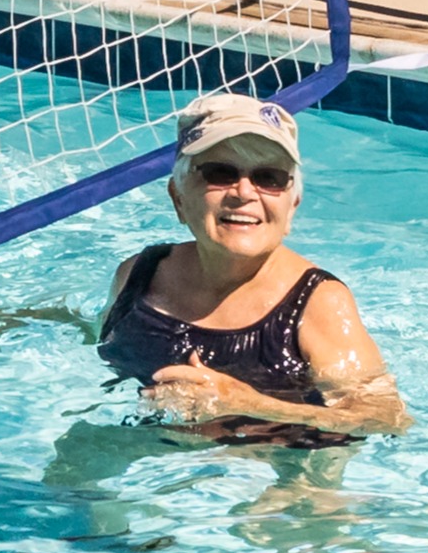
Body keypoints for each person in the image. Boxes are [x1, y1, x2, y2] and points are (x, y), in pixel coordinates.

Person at [93, 91, 404, 441]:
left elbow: (385, 418)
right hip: (156, 453)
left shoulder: (318, 304)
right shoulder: (139, 277)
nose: (244, 192)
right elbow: (94, 338)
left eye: (269, 178)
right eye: (219, 173)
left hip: (280, 464)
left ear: (292, 207)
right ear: (178, 197)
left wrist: (250, 404)